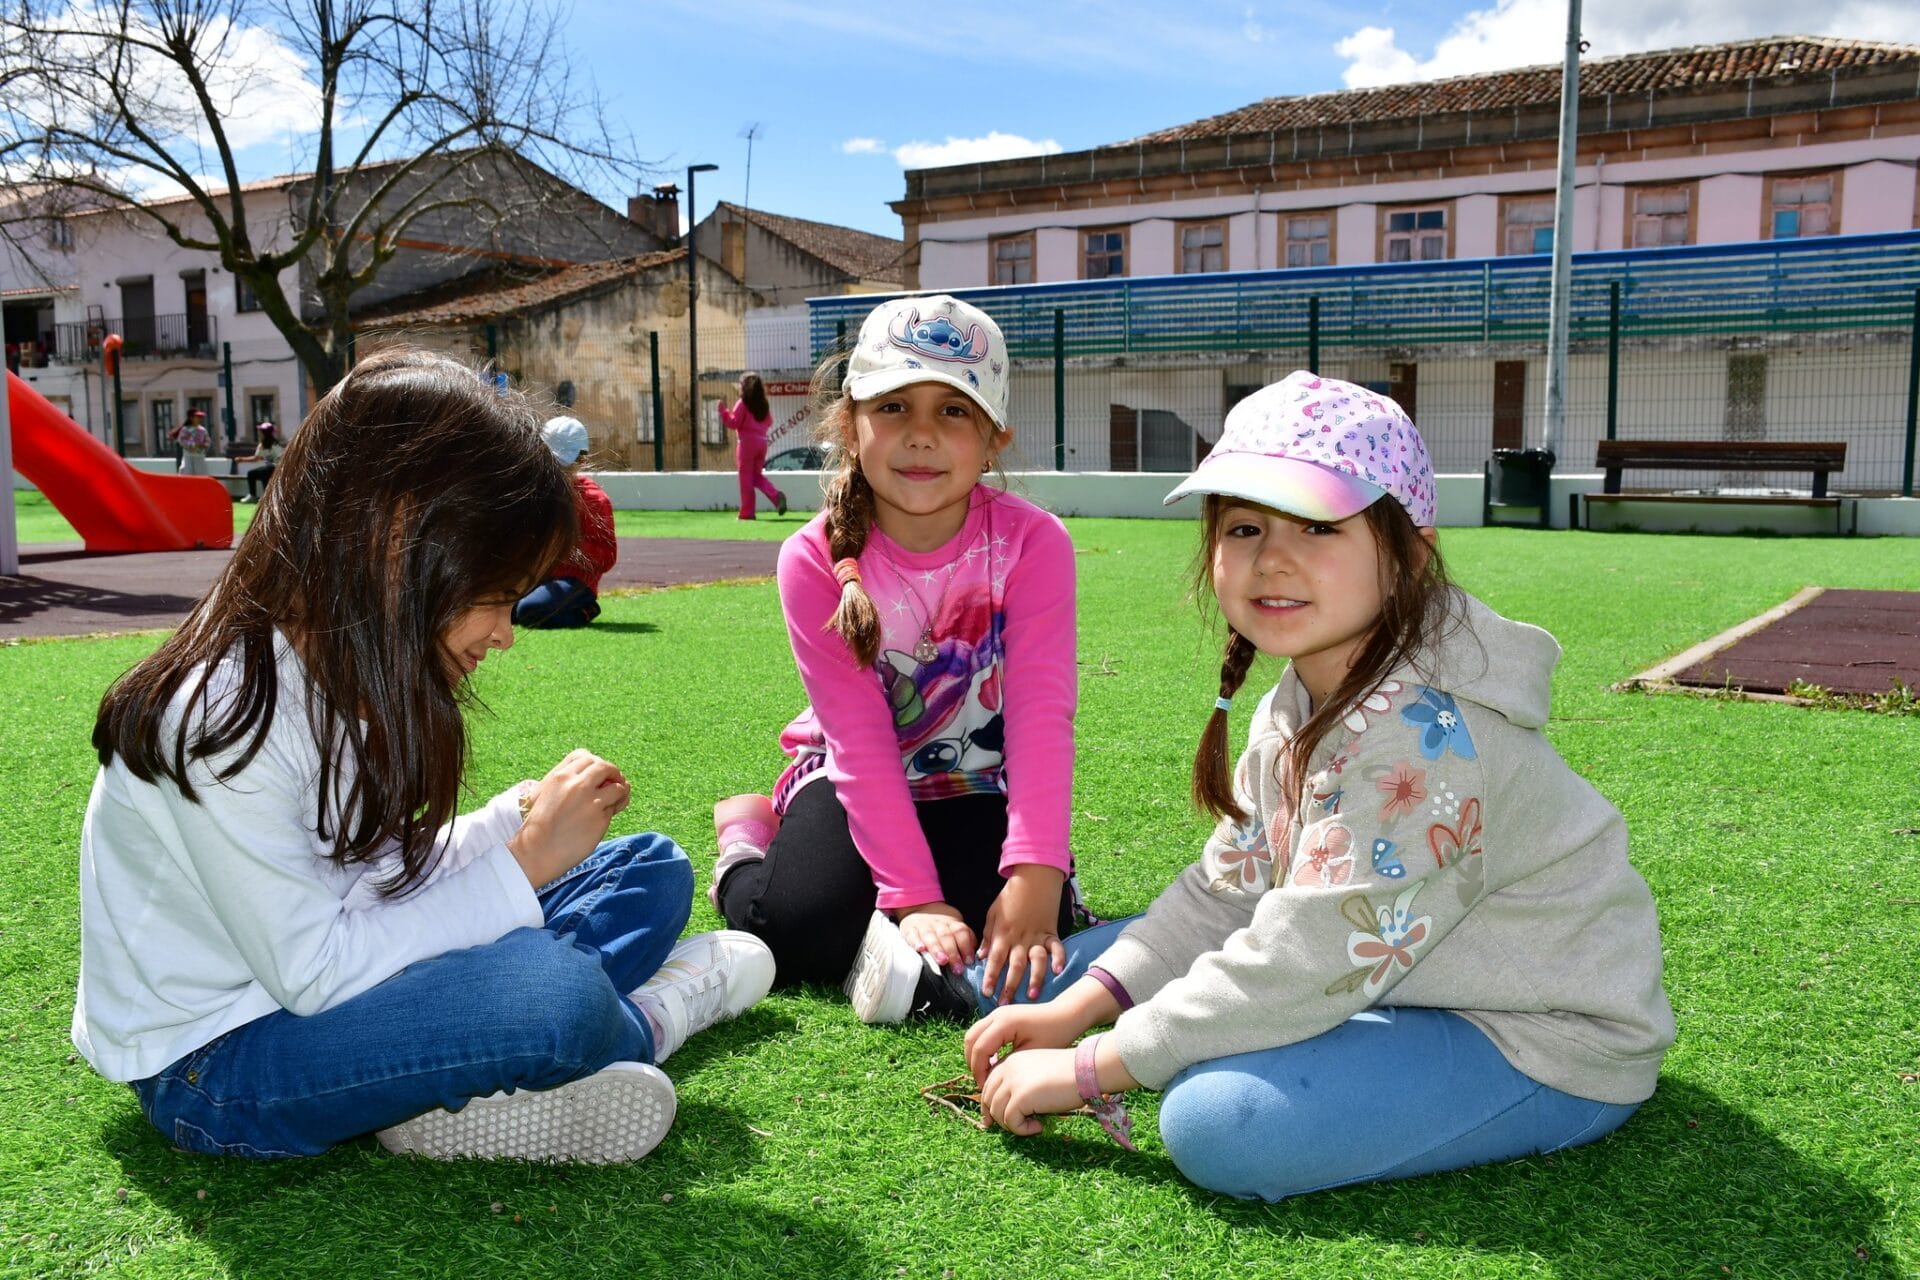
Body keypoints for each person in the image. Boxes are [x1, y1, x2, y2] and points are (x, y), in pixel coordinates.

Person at [963, 371, 1676, 1200]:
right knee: (1065, 976)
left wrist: (1094, 1064)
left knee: (1216, 1121)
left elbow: (1309, 958)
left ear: (1408, 553)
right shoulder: (1303, 694)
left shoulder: (1427, 738)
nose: (1273, 558)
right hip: (1395, 975)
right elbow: (1226, 893)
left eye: (1318, 525)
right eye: (1244, 527)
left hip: (1538, 1035)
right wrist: (1081, 1008)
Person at [72, 349, 775, 1164]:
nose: (506, 634)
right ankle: (645, 1021)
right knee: (556, 995)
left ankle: (447, 1078)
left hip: (340, 982)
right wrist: (523, 861)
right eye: (495, 594)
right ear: (396, 539)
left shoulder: (348, 667)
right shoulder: (221, 721)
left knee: (649, 868)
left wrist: (504, 826)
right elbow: (318, 970)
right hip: (222, 1061)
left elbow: (375, 878)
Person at [712, 295, 1100, 1025]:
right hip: (853, 776)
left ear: (994, 439)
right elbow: (859, 742)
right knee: (792, 929)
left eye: (953, 411)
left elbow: (1041, 715)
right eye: (893, 407)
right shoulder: (811, 557)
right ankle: (744, 840)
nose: (921, 435)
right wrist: (914, 898)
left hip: (978, 777)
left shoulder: (1034, 543)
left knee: (1024, 930)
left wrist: (1036, 872)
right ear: (849, 425)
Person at [512, 415, 617, 629]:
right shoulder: (536, 492)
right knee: (502, 608)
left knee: (529, 610)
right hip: (538, 575)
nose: (556, 473)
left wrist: (565, 543)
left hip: (575, 580)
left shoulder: (594, 500)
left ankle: (585, 609)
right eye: (550, 465)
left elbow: (607, 557)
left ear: (582, 461)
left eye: (563, 466)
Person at [719, 373, 787, 520]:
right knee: (756, 476)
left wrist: (723, 412)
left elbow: (733, 423)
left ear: (745, 387)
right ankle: (776, 496)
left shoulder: (743, 403)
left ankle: (747, 513)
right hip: (762, 443)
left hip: (746, 444)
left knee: (746, 480)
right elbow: (769, 422)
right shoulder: (764, 404)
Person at [233, 422, 282, 503]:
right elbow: (256, 458)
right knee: (252, 474)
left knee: (265, 471)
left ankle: (267, 497)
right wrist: (242, 459)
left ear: (265, 433)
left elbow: (281, 458)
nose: (259, 433)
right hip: (268, 468)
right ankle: (254, 495)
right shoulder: (262, 445)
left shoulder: (275, 444)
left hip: (276, 468)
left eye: (261, 432)